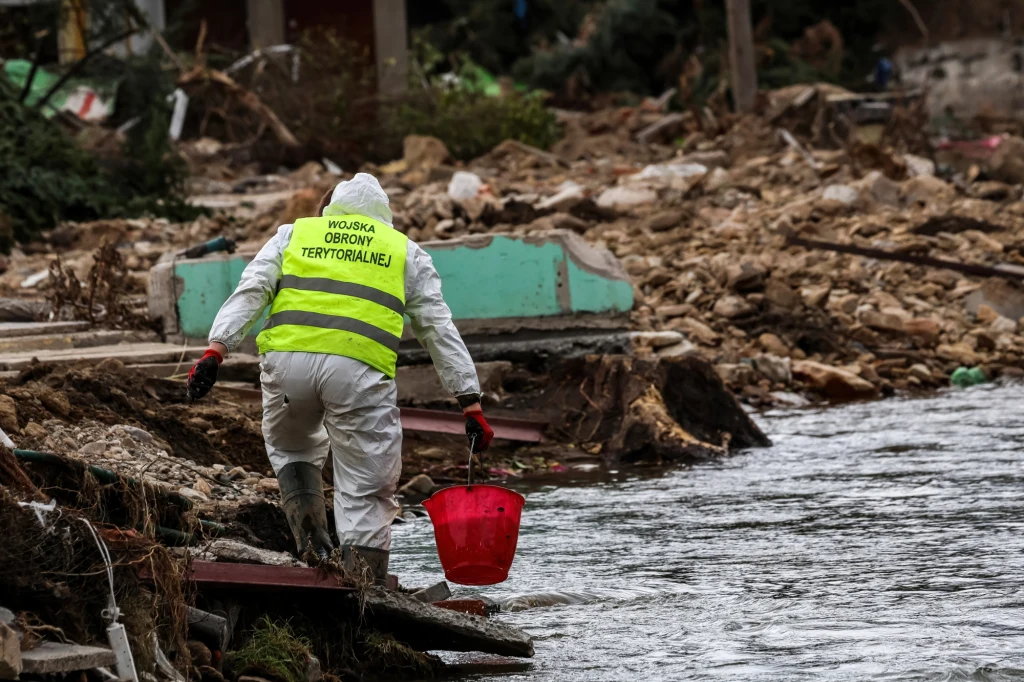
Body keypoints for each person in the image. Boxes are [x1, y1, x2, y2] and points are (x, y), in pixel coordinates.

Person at [185, 173, 493, 581]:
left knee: (292, 447)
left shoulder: (294, 234)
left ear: (333, 208)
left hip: (287, 366)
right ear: (384, 215)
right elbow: (437, 328)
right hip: (358, 374)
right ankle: (362, 588)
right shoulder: (404, 251)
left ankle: (313, 552)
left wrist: (216, 350)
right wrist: (469, 401)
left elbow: (253, 288)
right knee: (366, 485)